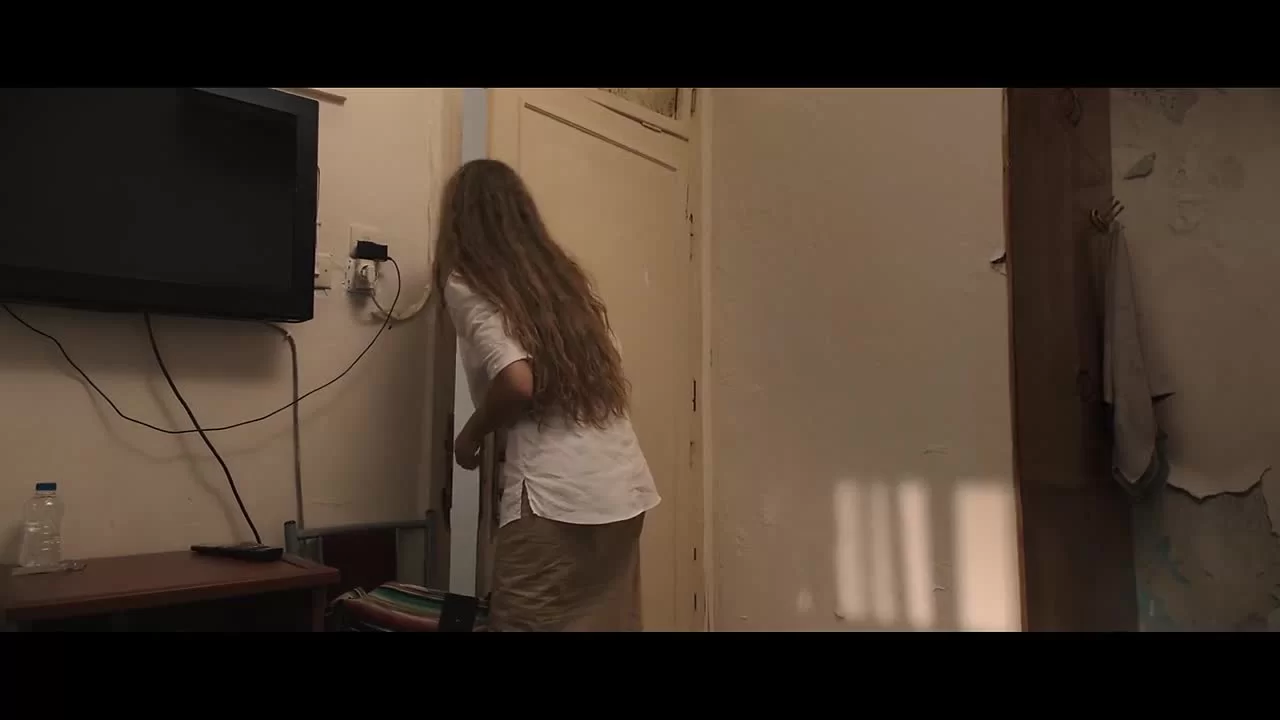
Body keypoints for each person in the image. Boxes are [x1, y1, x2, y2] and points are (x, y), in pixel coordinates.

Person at [432, 158, 661, 632]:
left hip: (554, 497)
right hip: (621, 489)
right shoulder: (565, 280)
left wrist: (470, 436)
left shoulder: (468, 280)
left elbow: (519, 380)